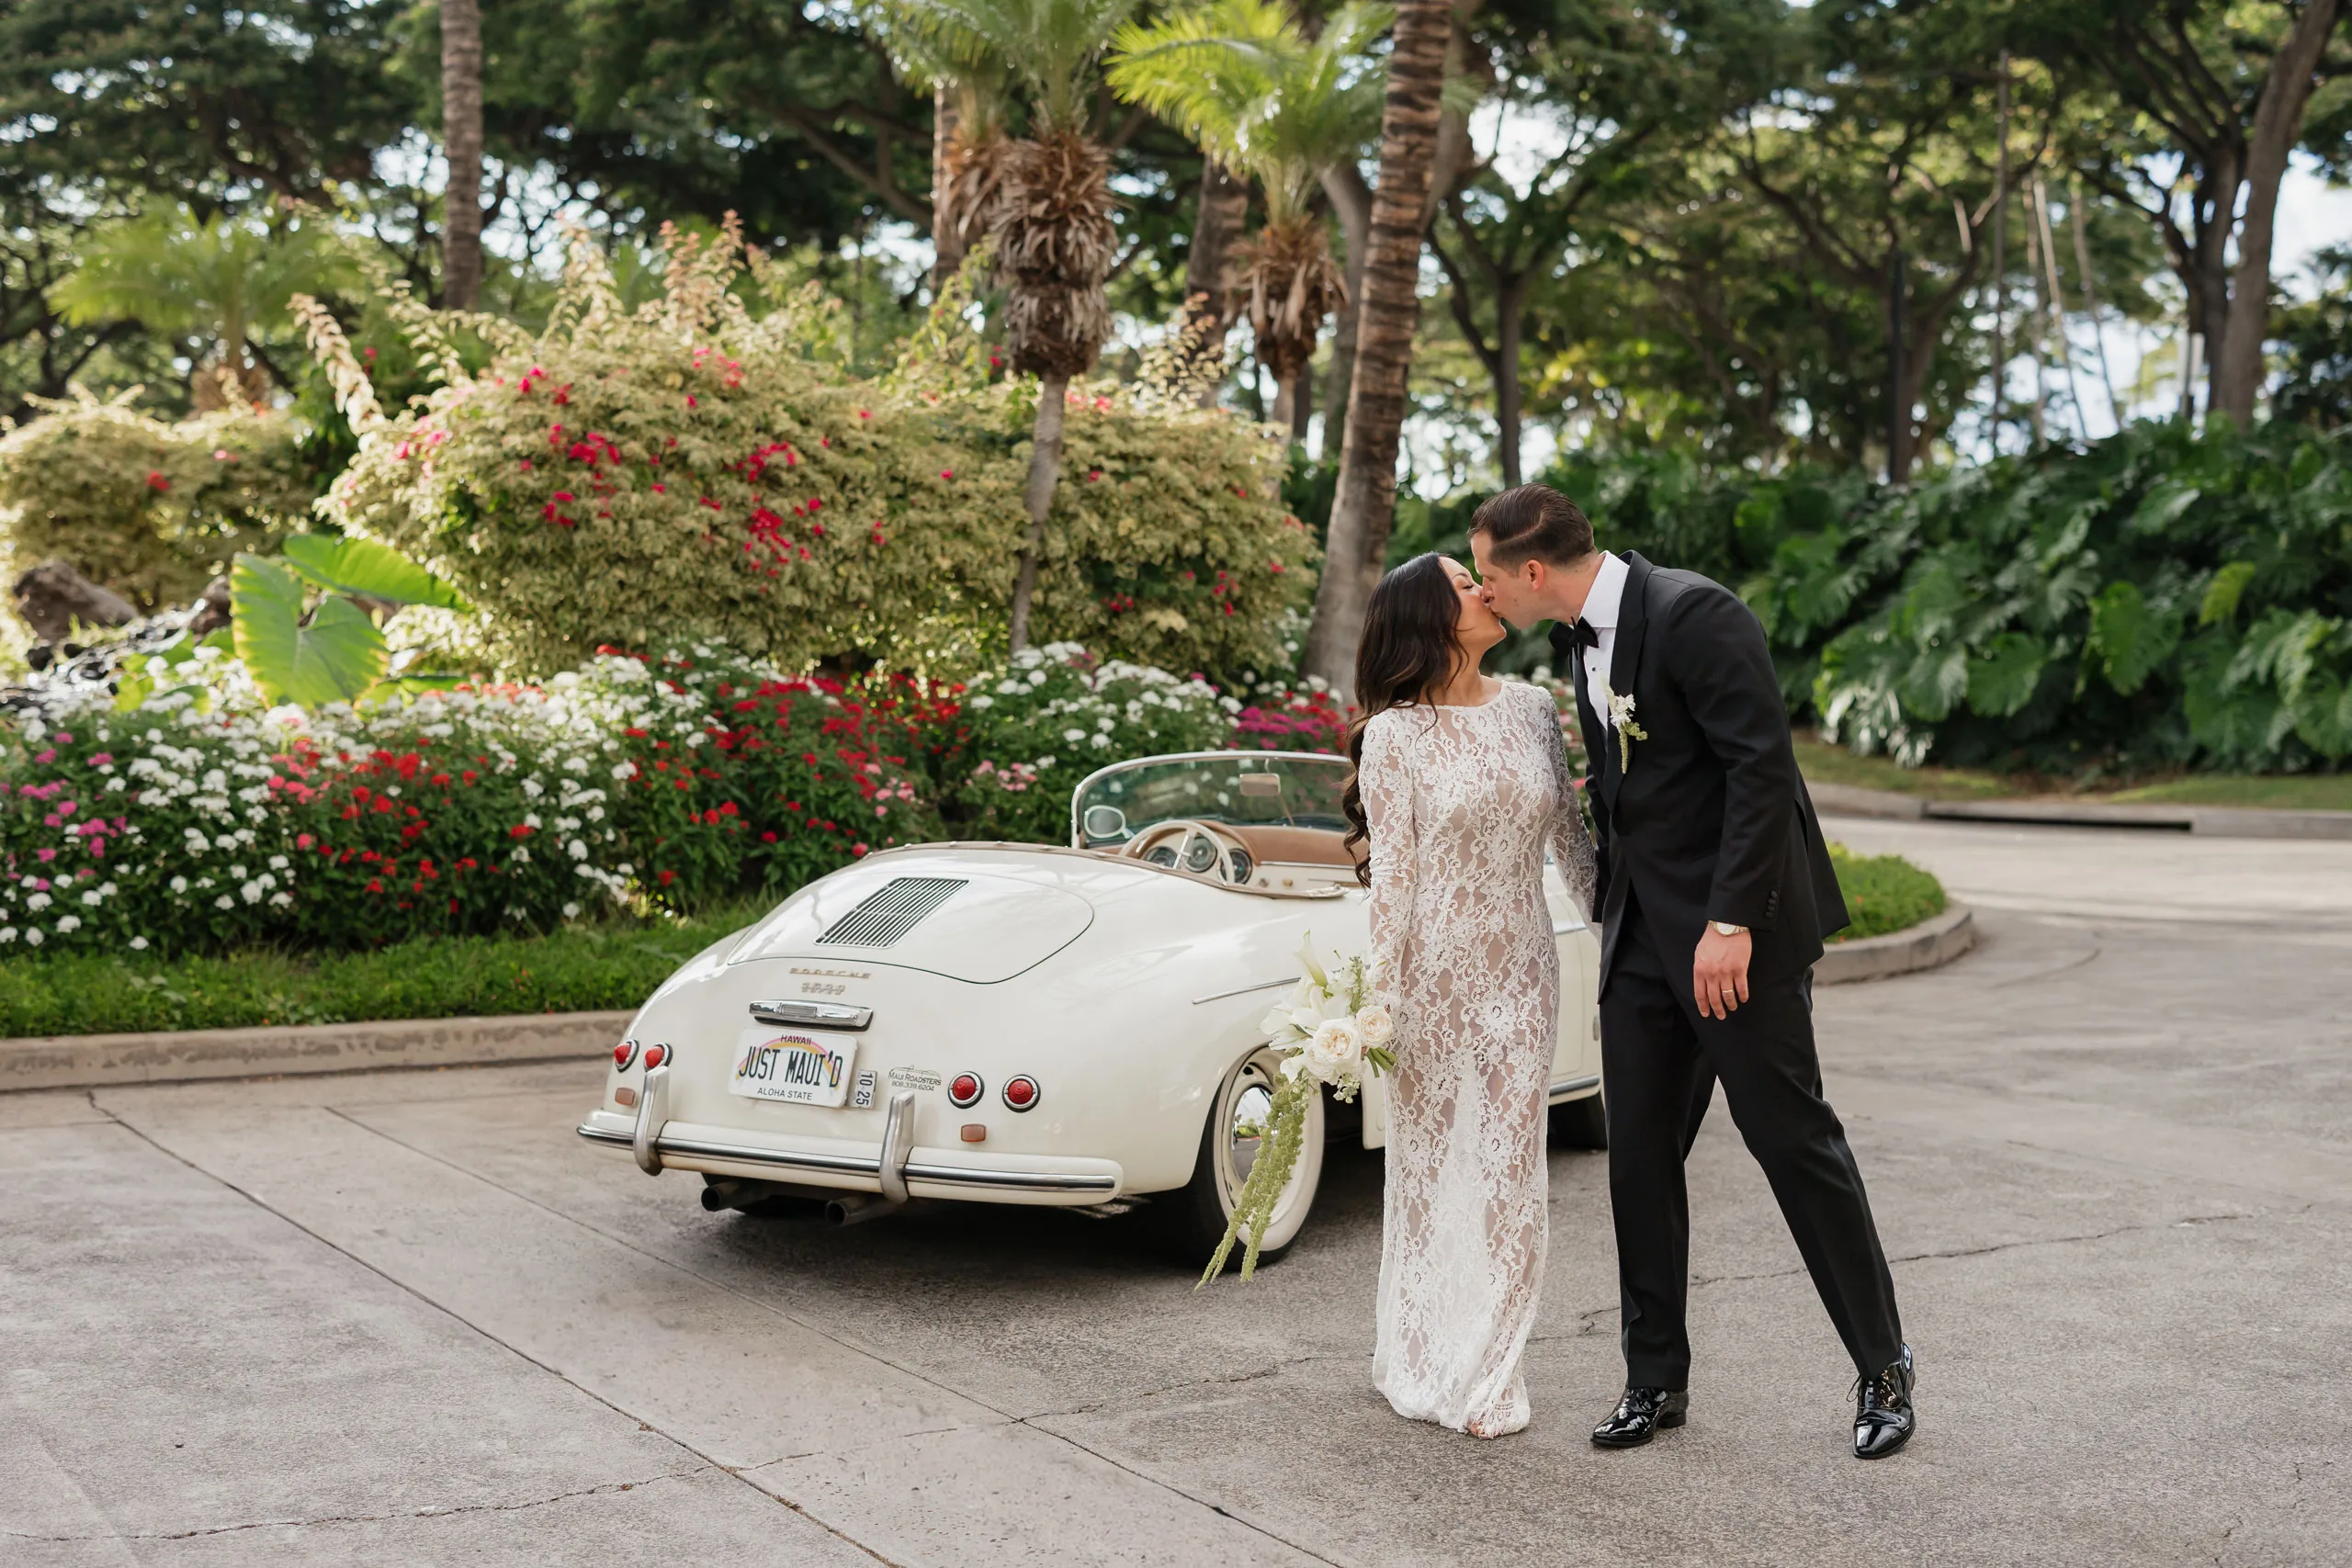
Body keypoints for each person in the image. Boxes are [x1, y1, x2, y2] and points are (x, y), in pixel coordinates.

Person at [1466, 483, 1917, 1461]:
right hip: (1638, 940)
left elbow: (1761, 772)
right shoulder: (1575, 638)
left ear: (1531, 570)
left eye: (1491, 575)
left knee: (1791, 1142)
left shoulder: (1695, 613)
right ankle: (1653, 1378)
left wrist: (1730, 922)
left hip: (1730, 939)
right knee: (1637, 1159)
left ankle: (1883, 1365)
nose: (1486, 593)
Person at [1342, 552, 1596, 1438]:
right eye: (1463, 584)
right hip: (1431, 985)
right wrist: (1380, 1004)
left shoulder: (1531, 710)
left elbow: (1572, 843)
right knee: (1426, 1173)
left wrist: (1633, 937)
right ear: (1427, 616)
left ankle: (1492, 1370)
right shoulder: (1394, 736)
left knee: (1508, 1169)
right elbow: (1395, 886)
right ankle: (1421, 1348)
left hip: (1523, 976)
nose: (1485, 590)